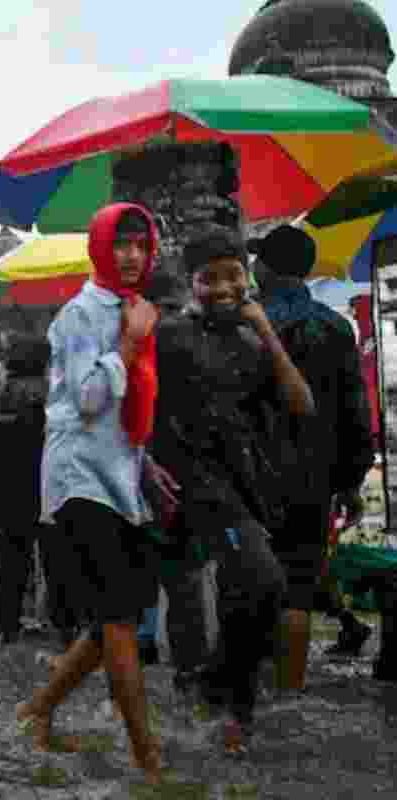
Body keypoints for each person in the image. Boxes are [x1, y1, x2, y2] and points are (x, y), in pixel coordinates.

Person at [14, 203, 166, 784]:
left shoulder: (138, 310)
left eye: (139, 245)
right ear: (100, 248)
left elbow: (130, 413)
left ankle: (38, 710)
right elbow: (87, 400)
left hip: (120, 476)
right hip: (79, 478)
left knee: (110, 625)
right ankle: (146, 757)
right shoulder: (81, 315)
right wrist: (129, 343)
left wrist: (146, 467)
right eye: (121, 244)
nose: (131, 255)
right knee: (121, 619)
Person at [152, 226, 308, 755]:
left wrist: (265, 330)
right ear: (190, 282)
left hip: (242, 487)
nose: (222, 287)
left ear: (248, 277)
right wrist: (146, 469)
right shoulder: (170, 335)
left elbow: (300, 404)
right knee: (249, 583)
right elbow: (130, 408)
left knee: (256, 591)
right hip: (186, 486)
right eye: (208, 278)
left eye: (232, 275)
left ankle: (221, 700)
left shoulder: (250, 339)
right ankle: (215, 703)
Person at [252, 224, 376, 690]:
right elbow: (354, 414)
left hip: (251, 478)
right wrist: (349, 482)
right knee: (299, 589)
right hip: (314, 478)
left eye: (258, 259)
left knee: (250, 582)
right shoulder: (336, 327)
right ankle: (291, 691)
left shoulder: (247, 323)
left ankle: (252, 693)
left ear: (267, 268)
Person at [0, 337, 50, 645]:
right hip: (35, 494)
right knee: (50, 563)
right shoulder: (38, 407)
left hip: (0, 494)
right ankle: (58, 624)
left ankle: (7, 626)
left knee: (10, 563)